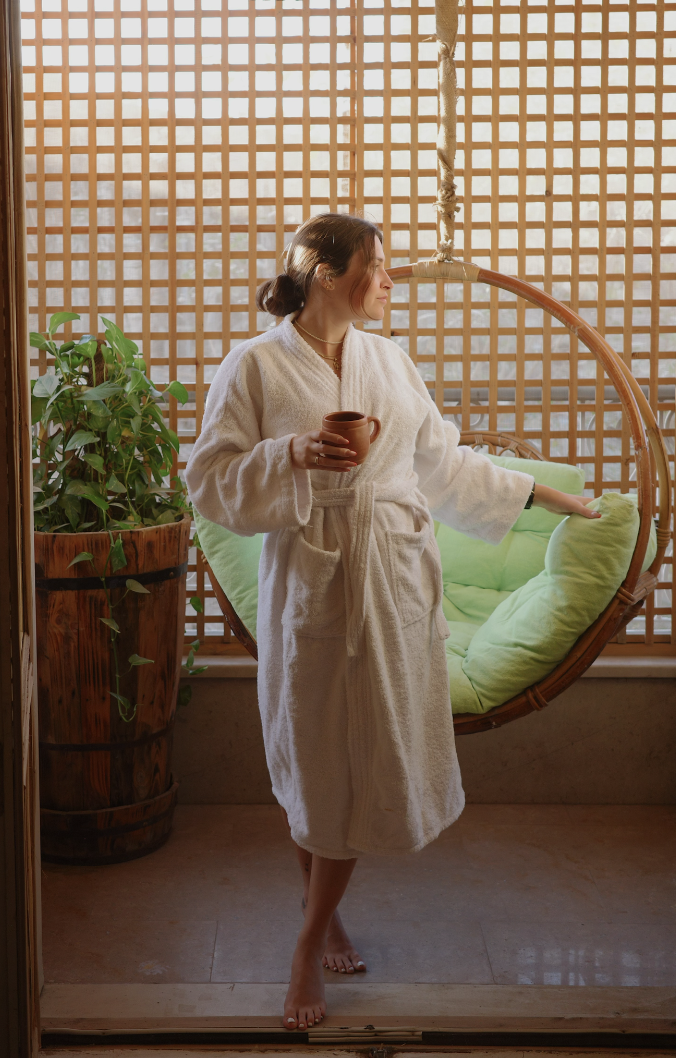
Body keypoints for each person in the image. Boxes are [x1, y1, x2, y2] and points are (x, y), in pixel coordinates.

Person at [185, 213, 598, 1031]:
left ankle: (305, 940)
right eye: (379, 267)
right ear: (328, 274)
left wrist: (543, 498)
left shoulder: (390, 359)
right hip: (312, 580)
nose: (391, 281)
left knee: (363, 757)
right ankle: (323, 920)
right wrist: (293, 456)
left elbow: (440, 464)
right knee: (311, 754)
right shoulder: (256, 366)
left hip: (394, 579)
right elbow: (210, 479)